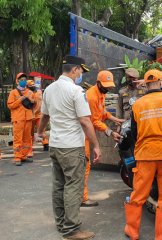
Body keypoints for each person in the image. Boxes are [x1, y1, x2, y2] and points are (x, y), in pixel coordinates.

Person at [36, 55, 101, 240]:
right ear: (75, 70)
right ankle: (71, 229)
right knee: (74, 186)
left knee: (58, 186)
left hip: (56, 146)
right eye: (81, 71)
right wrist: (96, 145)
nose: (81, 74)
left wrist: (40, 133)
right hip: (72, 147)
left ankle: (61, 223)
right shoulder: (76, 91)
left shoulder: (49, 89)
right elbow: (85, 121)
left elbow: (44, 117)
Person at [124, 69, 162, 240]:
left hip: (145, 155)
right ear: (160, 82)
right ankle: (161, 235)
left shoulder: (137, 104)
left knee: (138, 194)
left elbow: (134, 134)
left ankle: (132, 230)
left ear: (145, 83)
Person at [81, 70, 123, 207]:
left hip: (88, 133)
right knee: (84, 167)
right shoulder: (92, 96)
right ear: (98, 83)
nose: (107, 88)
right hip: (83, 136)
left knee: (84, 166)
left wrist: (115, 119)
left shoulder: (101, 94)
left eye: (109, 86)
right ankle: (82, 198)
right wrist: (110, 132)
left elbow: (102, 112)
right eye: (105, 86)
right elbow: (94, 121)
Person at [7, 73, 35, 166]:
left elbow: (33, 104)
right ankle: (17, 157)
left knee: (27, 139)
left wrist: (32, 101)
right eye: (21, 79)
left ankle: (24, 155)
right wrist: (21, 99)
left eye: (24, 79)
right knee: (18, 139)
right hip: (18, 119)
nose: (23, 81)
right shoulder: (13, 92)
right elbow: (10, 105)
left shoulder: (30, 92)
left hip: (28, 118)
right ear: (17, 81)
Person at [27, 80, 49, 152]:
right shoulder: (27, 93)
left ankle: (45, 144)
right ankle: (30, 146)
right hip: (31, 115)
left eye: (33, 85)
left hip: (39, 115)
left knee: (42, 130)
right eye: (31, 86)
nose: (32, 87)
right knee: (30, 132)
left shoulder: (39, 92)